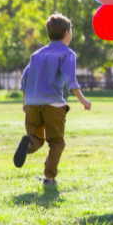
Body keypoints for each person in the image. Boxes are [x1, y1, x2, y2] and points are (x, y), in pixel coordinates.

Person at [13, 13, 92, 186]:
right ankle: (49, 178)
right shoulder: (67, 53)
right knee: (56, 142)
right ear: (66, 33)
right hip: (53, 105)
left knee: (36, 139)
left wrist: (25, 102)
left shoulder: (37, 54)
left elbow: (24, 80)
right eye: (71, 31)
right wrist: (83, 100)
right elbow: (71, 81)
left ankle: (28, 143)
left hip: (32, 104)